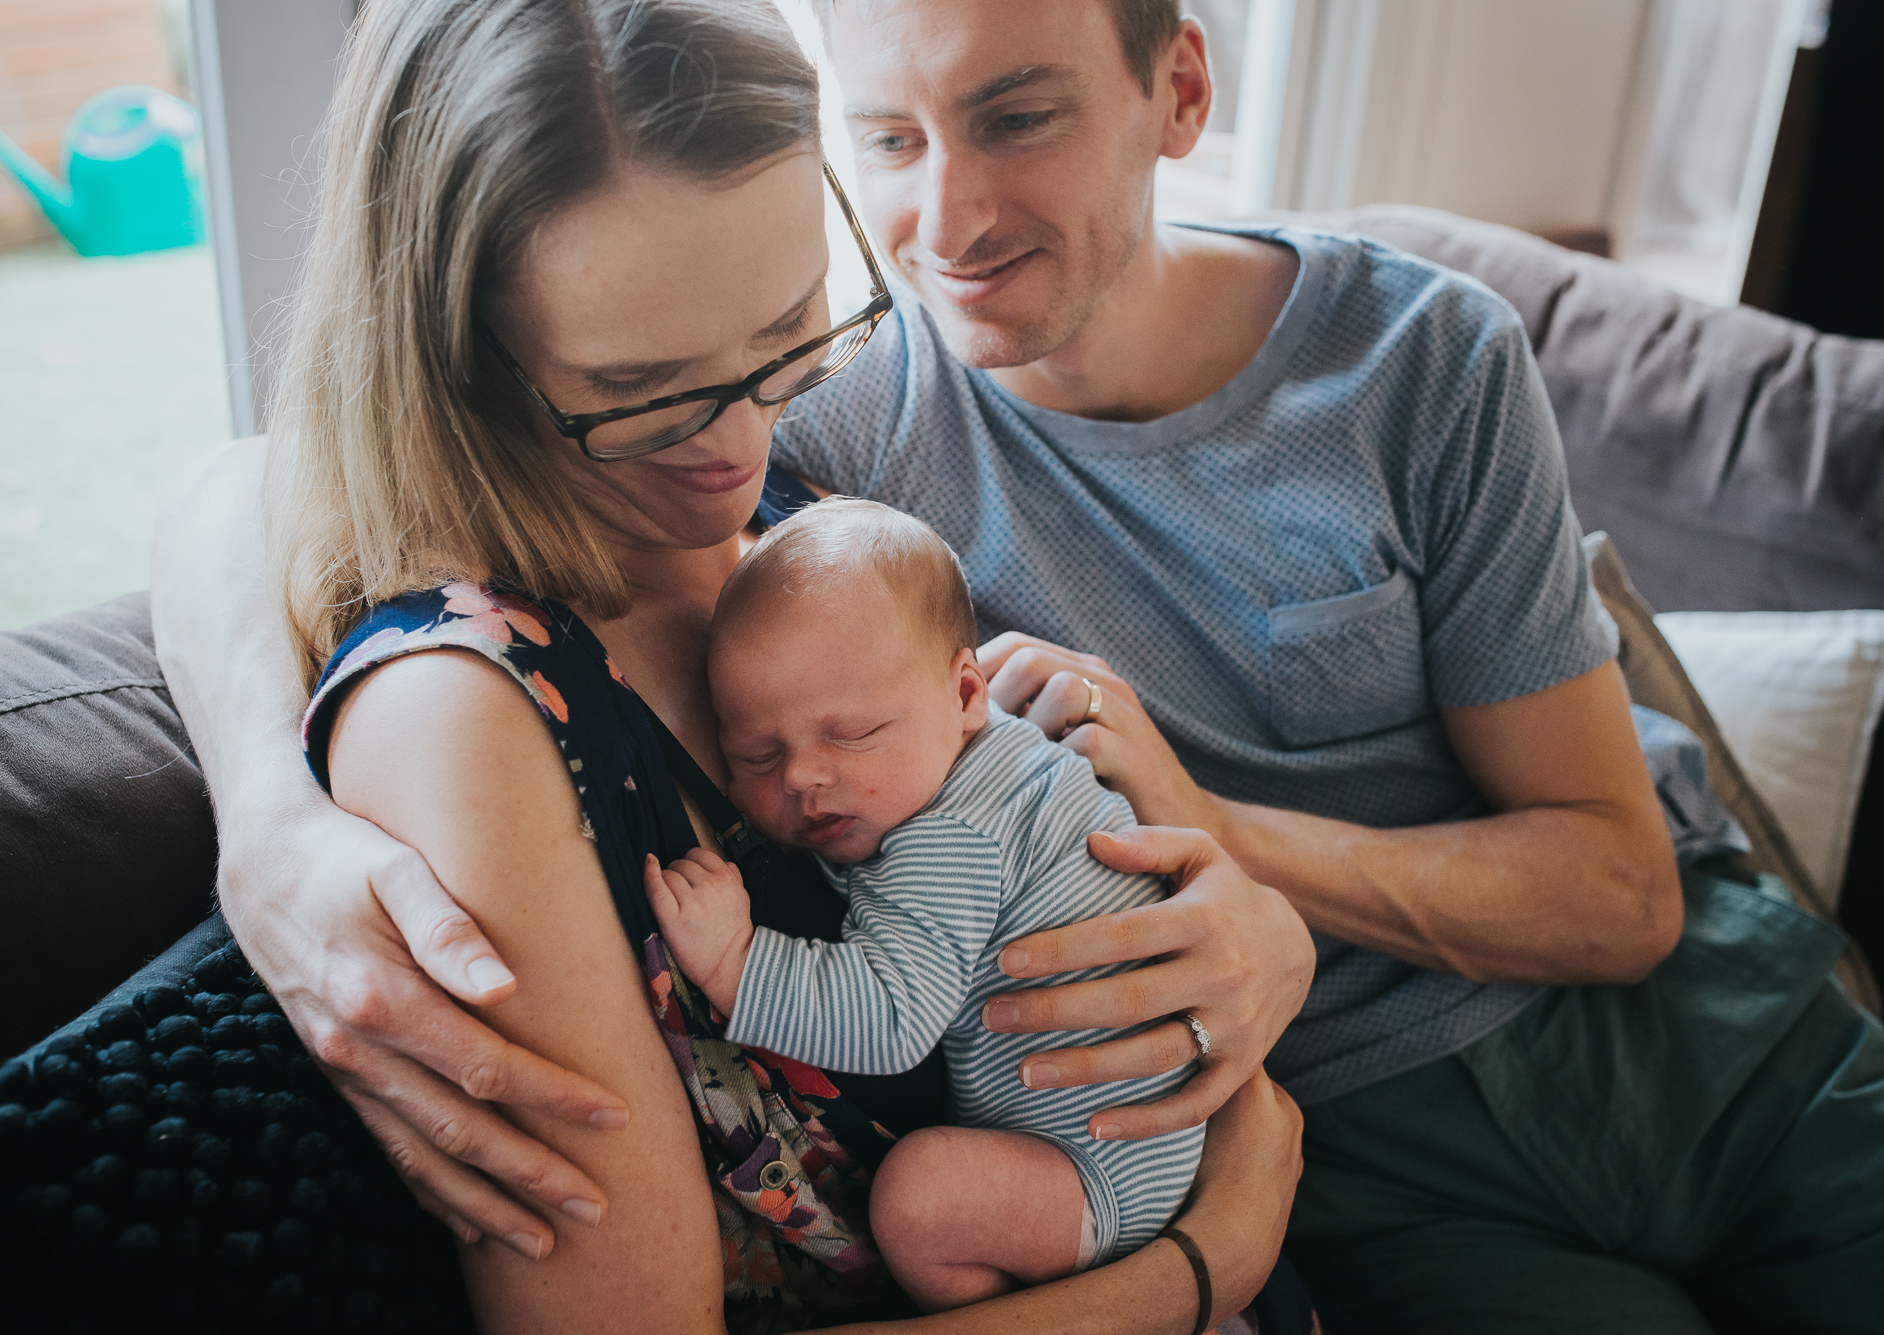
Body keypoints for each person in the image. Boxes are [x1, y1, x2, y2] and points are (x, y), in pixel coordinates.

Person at [151, 0, 1319, 1331]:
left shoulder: (793, 505)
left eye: (785, 326)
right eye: (644, 385)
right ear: (459, 347)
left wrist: (1261, 925)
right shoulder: (468, 713)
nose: (743, 435)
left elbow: (238, 482)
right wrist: (1199, 1264)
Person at [757, 1, 1884, 1332]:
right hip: (1348, 1153)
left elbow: (1621, 890)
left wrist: (1216, 827)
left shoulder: (1424, 358)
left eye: (1017, 117)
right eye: (890, 138)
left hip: (1701, 1034)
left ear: (1178, 91)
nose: (944, 223)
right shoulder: (834, 461)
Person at [646, 498, 1206, 1313]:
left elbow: (891, 1016)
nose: (802, 776)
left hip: (1095, 1170)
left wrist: (738, 964)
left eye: (853, 733)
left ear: (968, 692)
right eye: (757, 754)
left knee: (916, 1199)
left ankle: (1005, 1309)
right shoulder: (964, 763)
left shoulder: (955, 833)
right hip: (1140, 1136)